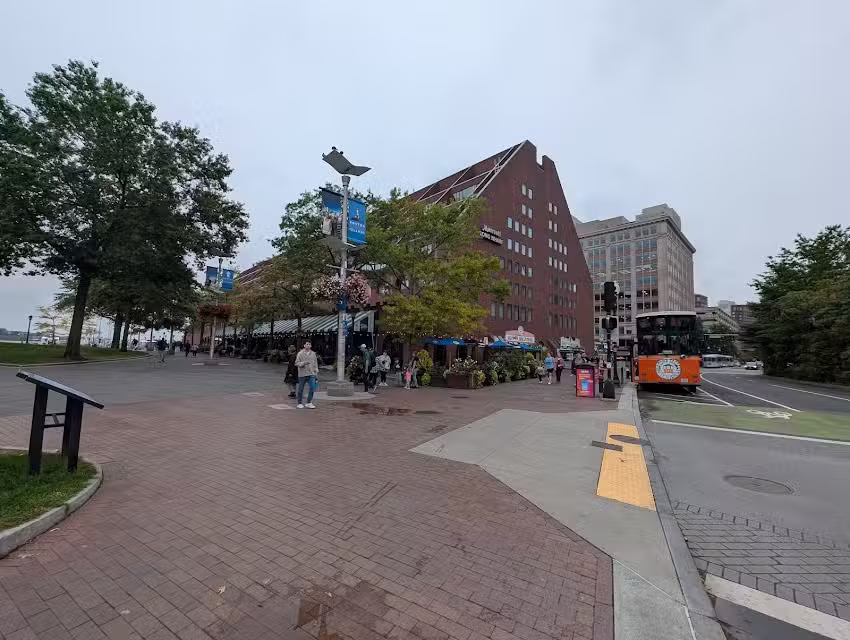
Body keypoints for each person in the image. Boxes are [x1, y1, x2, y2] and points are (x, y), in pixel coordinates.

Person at [295, 341, 319, 408]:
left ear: (311, 346)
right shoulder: (300, 353)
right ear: (304, 345)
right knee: (300, 389)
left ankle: (309, 402)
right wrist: (303, 363)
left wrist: (316, 369)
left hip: (311, 373)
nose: (308, 345)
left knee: (312, 387)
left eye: (309, 344)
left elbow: (315, 363)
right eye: (307, 344)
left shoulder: (313, 354)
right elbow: (296, 363)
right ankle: (299, 403)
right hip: (302, 373)